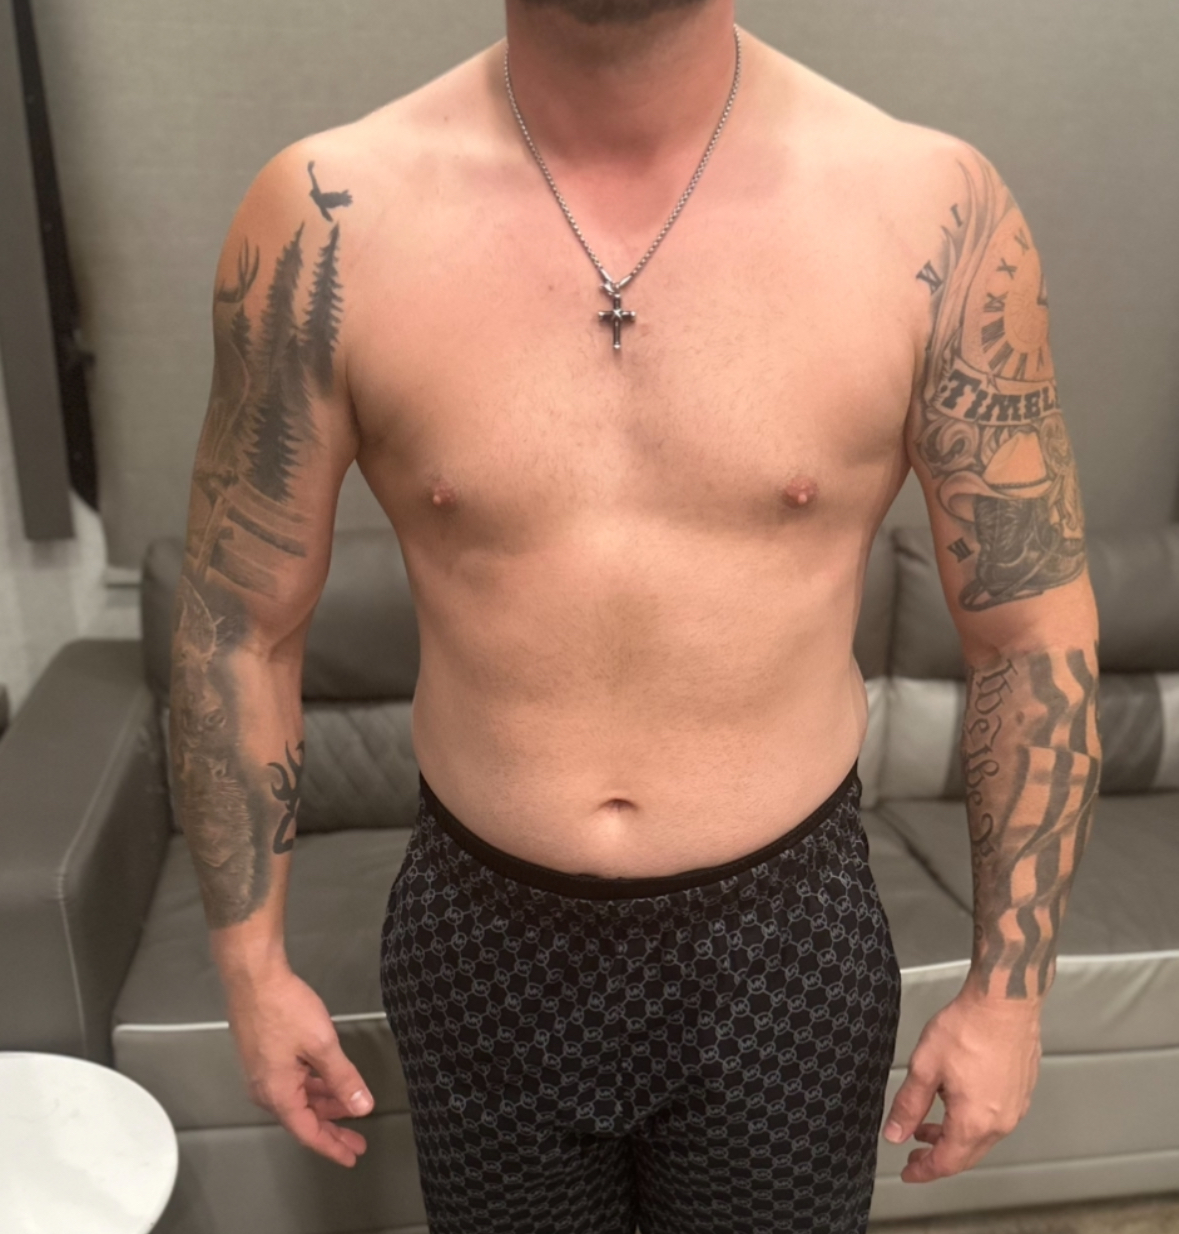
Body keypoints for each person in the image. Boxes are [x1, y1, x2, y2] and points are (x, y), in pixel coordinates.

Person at [168, 0, 1102, 1229]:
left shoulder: (932, 214)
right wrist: (250, 970)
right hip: (480, 937)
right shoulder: (328, 216)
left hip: (784, 945)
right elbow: (236, 627)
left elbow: (1030, 636)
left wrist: (1011, 995)